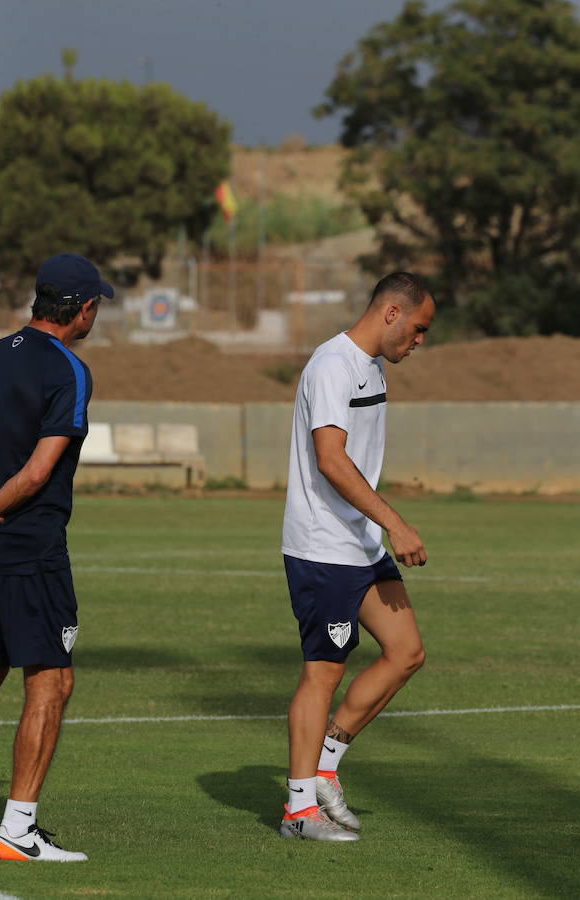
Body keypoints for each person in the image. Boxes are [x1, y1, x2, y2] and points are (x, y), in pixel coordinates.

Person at [279, 271, 435, 841]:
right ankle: (299, 813)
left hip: (359, 545)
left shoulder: (368, 366)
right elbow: (331, 459)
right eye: (418, 328)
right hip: (326, 546)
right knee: (322, 675)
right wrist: (395, 521)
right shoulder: (332, 365)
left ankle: (323, 768)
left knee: (406, 651)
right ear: (391, 313)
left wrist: (378, 531)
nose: (419, 341)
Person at [0, 253, 113, 862]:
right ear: (83, 308)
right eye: (96, 306)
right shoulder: (70, 370)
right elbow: (36, 474)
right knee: (52, 679)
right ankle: (17, 830)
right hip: (26, 545)